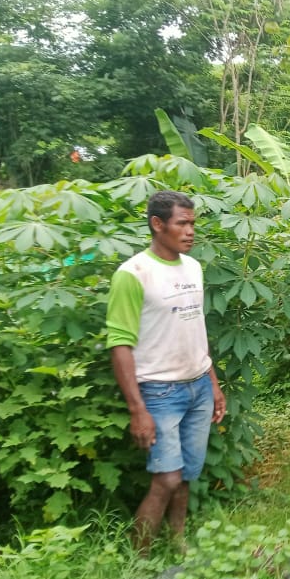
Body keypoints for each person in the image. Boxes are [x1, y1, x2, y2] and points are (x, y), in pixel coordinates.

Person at [105, 190, 226, 556]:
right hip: (159, 391)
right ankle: (138, 560)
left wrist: (213, 384)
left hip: (198, 386)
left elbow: (196, 331)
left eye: (193, 224)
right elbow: (120, 344)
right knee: (167, 479)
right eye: (182, 224)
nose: (190, 231)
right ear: (157, 224)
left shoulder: (193, 268)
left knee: (186, 475)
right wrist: (137, 409)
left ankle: (178, 543)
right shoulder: (133, 274)